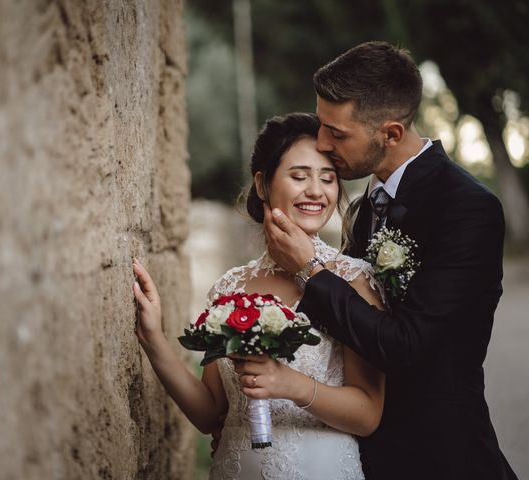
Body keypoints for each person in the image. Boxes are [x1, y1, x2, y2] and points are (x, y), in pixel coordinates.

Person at [263, 42, 518, 480]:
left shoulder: (466, 208)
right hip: (361, 450)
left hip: (440, 455)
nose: (322, 143)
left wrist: (310, 269)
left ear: (392, 133)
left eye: (337, 134)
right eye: (322, 126)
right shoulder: (370, 203)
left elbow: (406, 346)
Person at [133, 113, 385, 479]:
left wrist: (291, 384)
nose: (316, 190)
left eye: (327, 179)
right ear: (262, 185)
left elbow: (368, 414)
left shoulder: (355, 280)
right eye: (299, 176)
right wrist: (153, 339)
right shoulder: (230, 287)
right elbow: (210, 413)